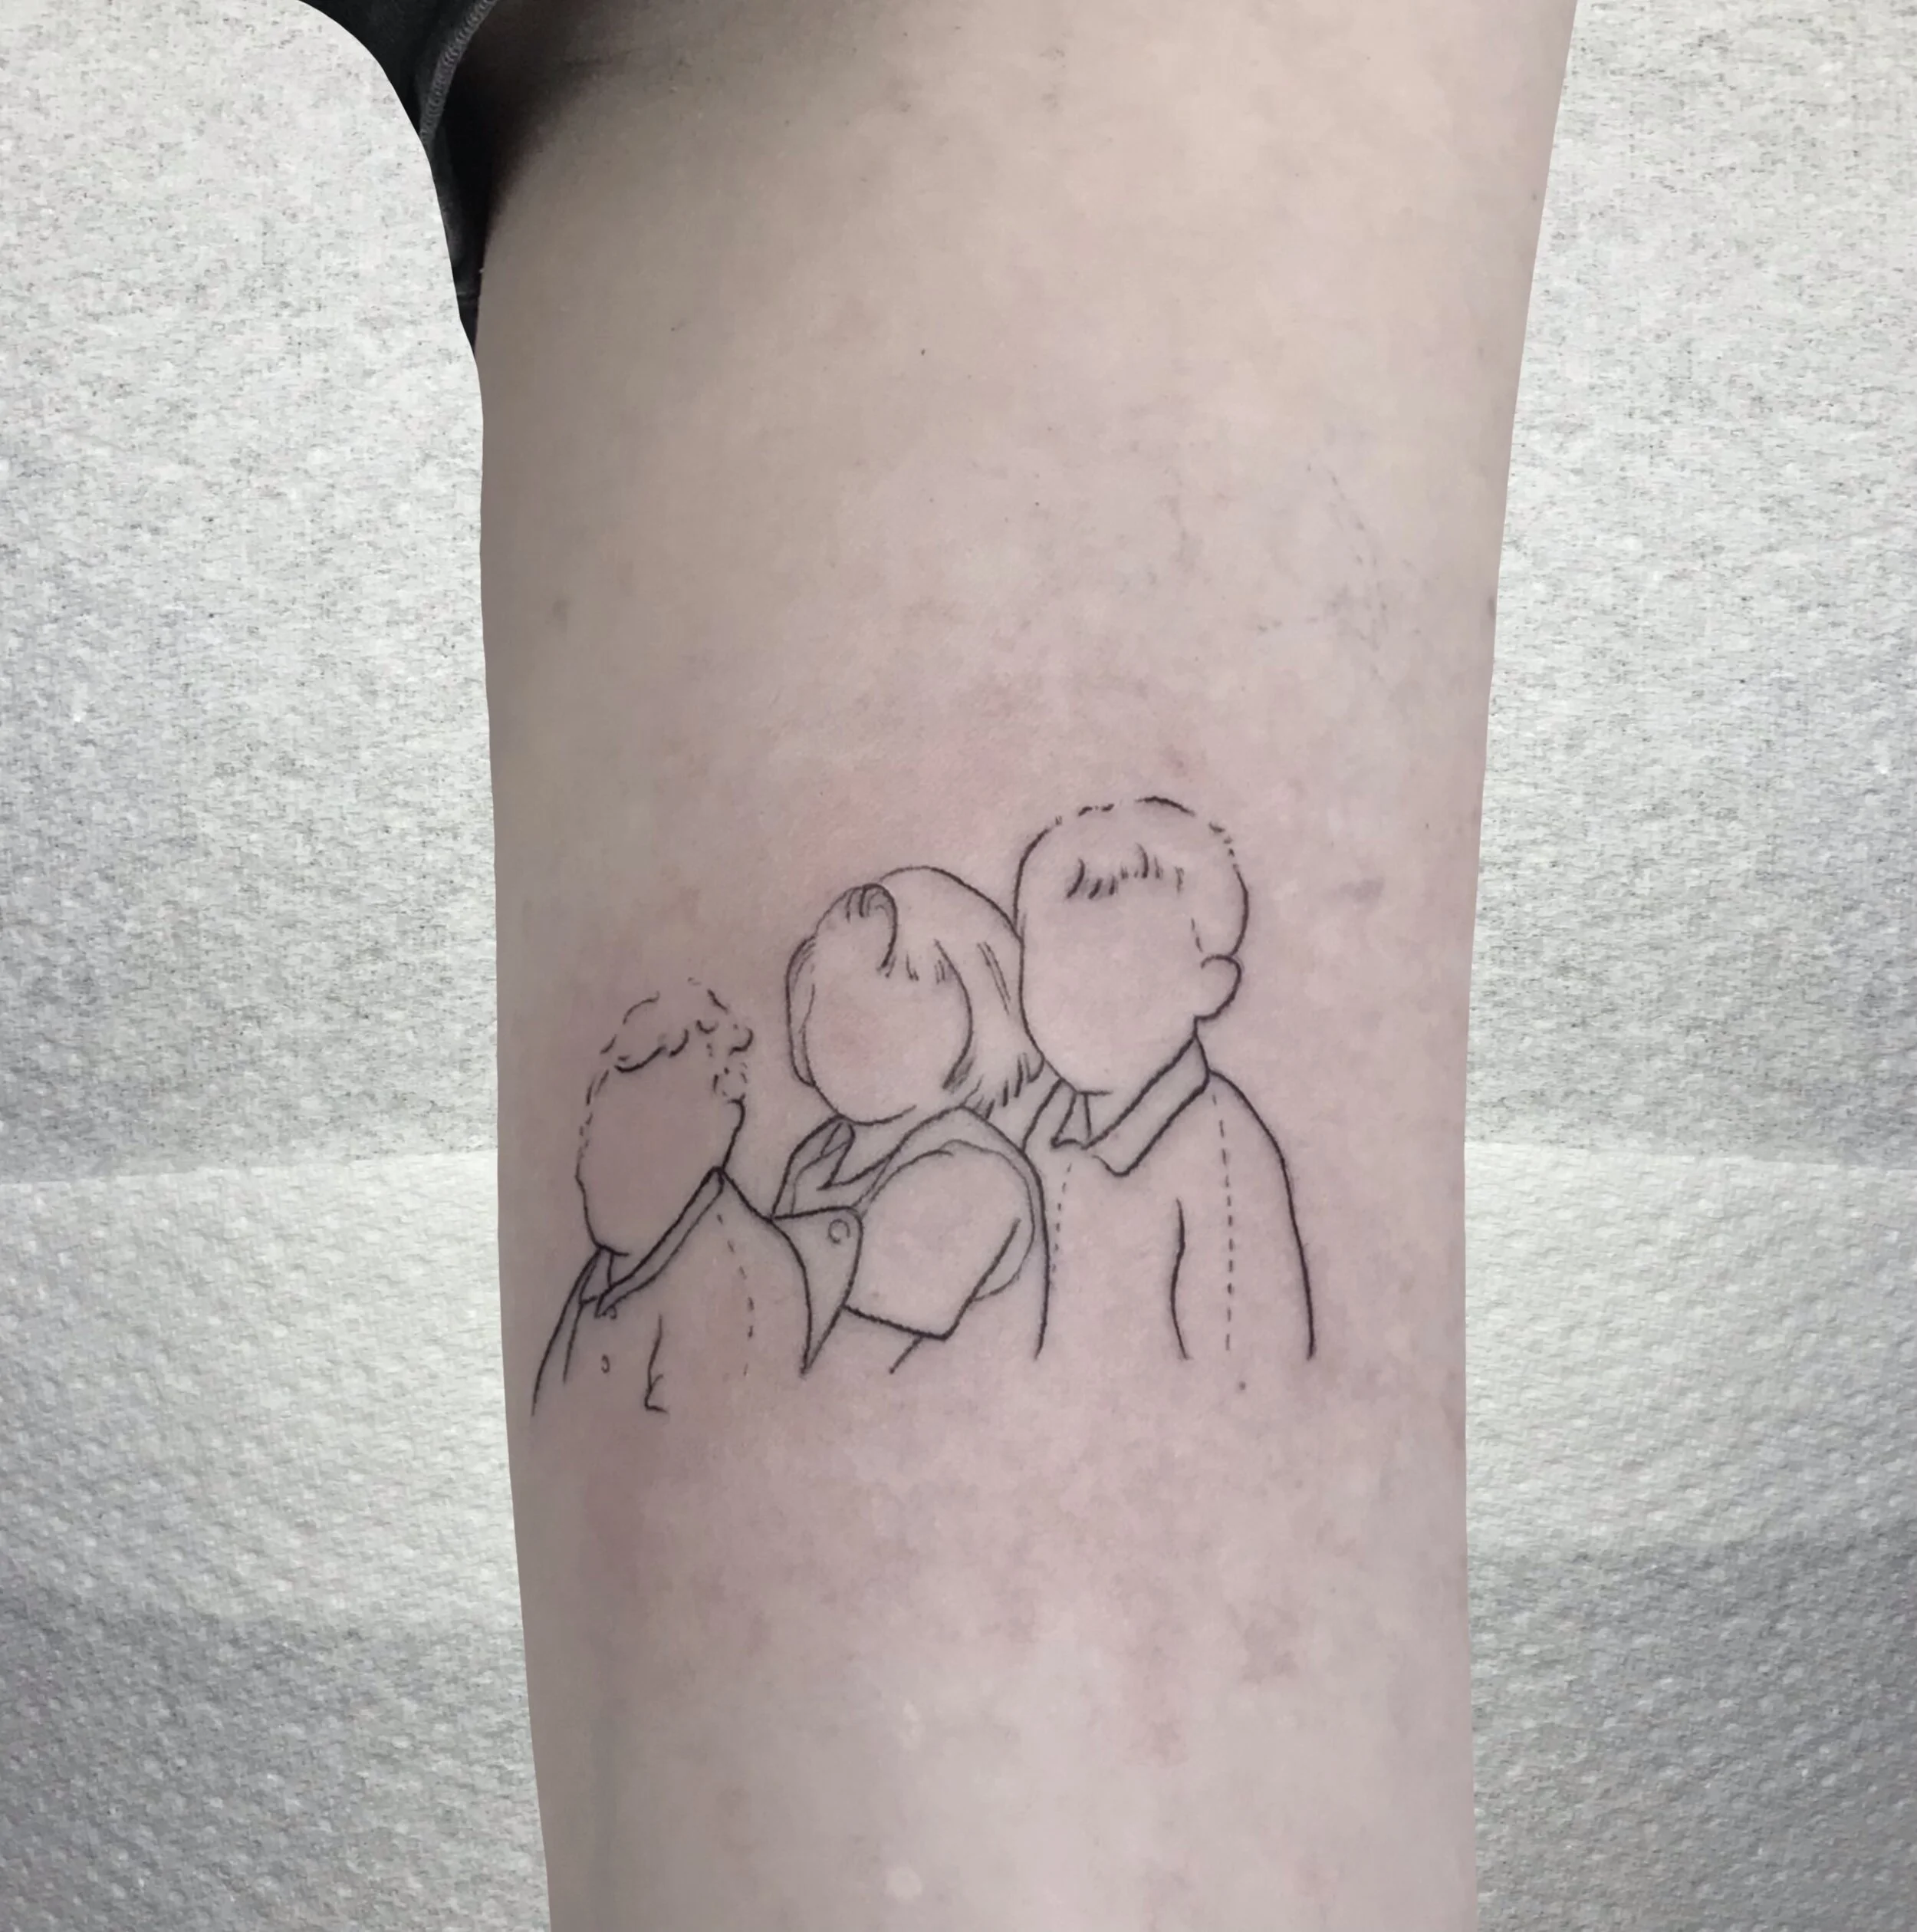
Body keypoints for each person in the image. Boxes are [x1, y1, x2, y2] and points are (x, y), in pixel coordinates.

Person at [306, 0, 1583, 1918]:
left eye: (934, 943)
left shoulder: (1033, 1173)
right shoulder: (932, 1162)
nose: (860, 949)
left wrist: (675, 1228)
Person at [1015, 798, 1314, 1379]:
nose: (1075, 1003)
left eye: (1120, 971)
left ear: (1211, 985)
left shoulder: (1224, 1154)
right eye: (1051, 965)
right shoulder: (1046, 1120)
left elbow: (1253, 1369)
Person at [775, 867, 1048, 1371]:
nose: (850, 1027)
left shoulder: (977, 1174)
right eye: (832, 992)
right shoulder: (819, 1155)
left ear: (982, 1016)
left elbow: (851, 1344)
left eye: (896, 1000)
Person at [530, 984, 807, 1419]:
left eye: (651, 1142)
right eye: (597, 1133)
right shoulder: (606, 1270)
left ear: (718, 1139)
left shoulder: (738, 1282)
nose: (598, 1164)